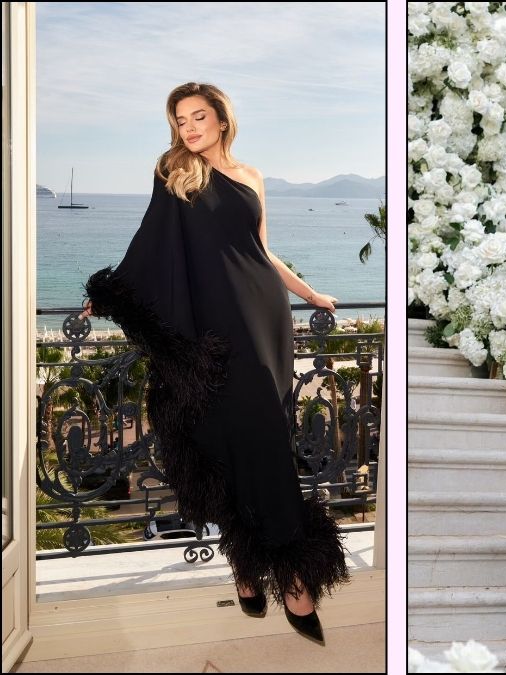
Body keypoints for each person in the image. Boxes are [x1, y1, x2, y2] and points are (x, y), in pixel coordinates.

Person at [80, 82, 350, 644]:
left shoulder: (251, 176)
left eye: (199, 117)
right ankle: (246, 565)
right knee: (219, 443)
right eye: (180, 120)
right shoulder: (174, 173)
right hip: (212, 332)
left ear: (222, 120)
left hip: (264, 321)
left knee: (270, 440)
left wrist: (309, 294)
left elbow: (263, 250)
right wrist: (109, 292)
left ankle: (294, 577)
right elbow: (149, 244)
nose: (190, 128)